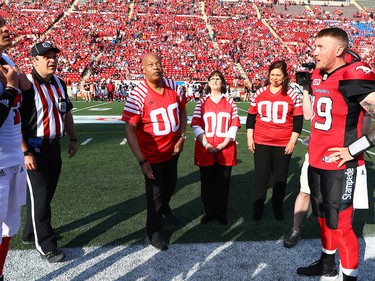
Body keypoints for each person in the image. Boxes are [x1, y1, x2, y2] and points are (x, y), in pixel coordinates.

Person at [296, 27, 375, 281]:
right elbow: (324, 116)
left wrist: (353, 149)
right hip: (317, 158)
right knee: (322, 218)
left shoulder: (354, 74)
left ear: (339, 50)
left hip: (342, 165)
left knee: (341, 225)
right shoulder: (318, 73)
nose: (314, 51)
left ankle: (349, 278)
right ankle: (327, 264)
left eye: (320, 47)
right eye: (315, 45)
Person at [122, 53, 187, 251]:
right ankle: (154, 231)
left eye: (158, 63)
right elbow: (130, 130)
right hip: (152, 155)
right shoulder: (138, 94)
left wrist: (182, 137)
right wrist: (142, 161)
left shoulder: (174, 87)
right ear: (144, 69)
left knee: (171, 185)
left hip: (172, 151)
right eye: (151, 65)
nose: (156, 67)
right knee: (155, 195)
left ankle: (165, 210)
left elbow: (183, 111)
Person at [20, 42, 78, 263]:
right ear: (34, 61)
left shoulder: (59, 83)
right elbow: (17, 121)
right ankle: (47, 246)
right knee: (41, 197)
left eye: (54, 56)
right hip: (34, 148)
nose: (52, 60)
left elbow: (67, 112)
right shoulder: (25, 84)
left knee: (44, 195)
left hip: (54, 146)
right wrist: (25, 151)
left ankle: (29, 233)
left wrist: (73, 138)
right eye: (46, 57)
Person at [246, 60, 303, 221]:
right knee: (261, 177)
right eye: (272, 75)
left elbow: (298, 121)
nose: (275, 78)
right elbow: (251, 117)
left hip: (283, 143)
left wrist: (292, 141)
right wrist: (250, 137)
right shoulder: (260, 93)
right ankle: (258, 207)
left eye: (278, 75)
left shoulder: (291, 94)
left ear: (285, 76)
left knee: (279, 178)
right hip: (262, 141)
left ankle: (277, 207)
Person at [0, 15, 31, 281]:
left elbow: (27, 91)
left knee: (11, 225)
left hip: (13, 157)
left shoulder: (7, 60)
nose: (6, 28)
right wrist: (10, 88)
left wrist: (20, 83)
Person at [191, 70, 241, 225]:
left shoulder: (230, 102)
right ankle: (208, 212)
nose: (214, 81)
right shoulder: (201, 102)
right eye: (211, 79)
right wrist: (206, 144)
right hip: (205, 149)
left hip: (225, 149)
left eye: (218, 79)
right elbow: (196, 124)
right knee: (206, 184)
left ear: (223, 83)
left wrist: (222, 144)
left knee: (223, 184)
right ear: (208, 83)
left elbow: (234, 125)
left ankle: (221, 213)